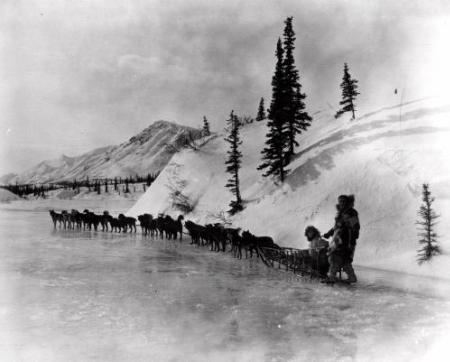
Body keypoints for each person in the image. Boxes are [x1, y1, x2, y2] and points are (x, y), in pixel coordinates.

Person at [323, 195, 360, 283]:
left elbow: (355, 227)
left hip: (346, 240)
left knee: (335, 257)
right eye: (340, 201)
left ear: (347, 202)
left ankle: (331, 276)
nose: (342, 203)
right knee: (342, 258)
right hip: (338, 239)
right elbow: (336, 226)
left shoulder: (351, 213)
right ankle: (351, 277)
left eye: (343, 201)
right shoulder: (341, 213)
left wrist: (352, 240)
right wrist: (329, 233)